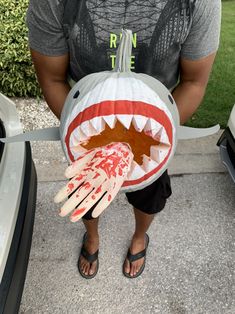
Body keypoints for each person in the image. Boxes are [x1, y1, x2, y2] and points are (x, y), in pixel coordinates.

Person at [26, 0, 221, 279]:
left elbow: (194, 83)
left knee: (149, 198)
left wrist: (143, 139)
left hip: (153, 130)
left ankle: (140, 236)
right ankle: (92, 237)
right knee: (89, 194)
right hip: (90, 127)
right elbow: (53, 80)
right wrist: (91, 140)